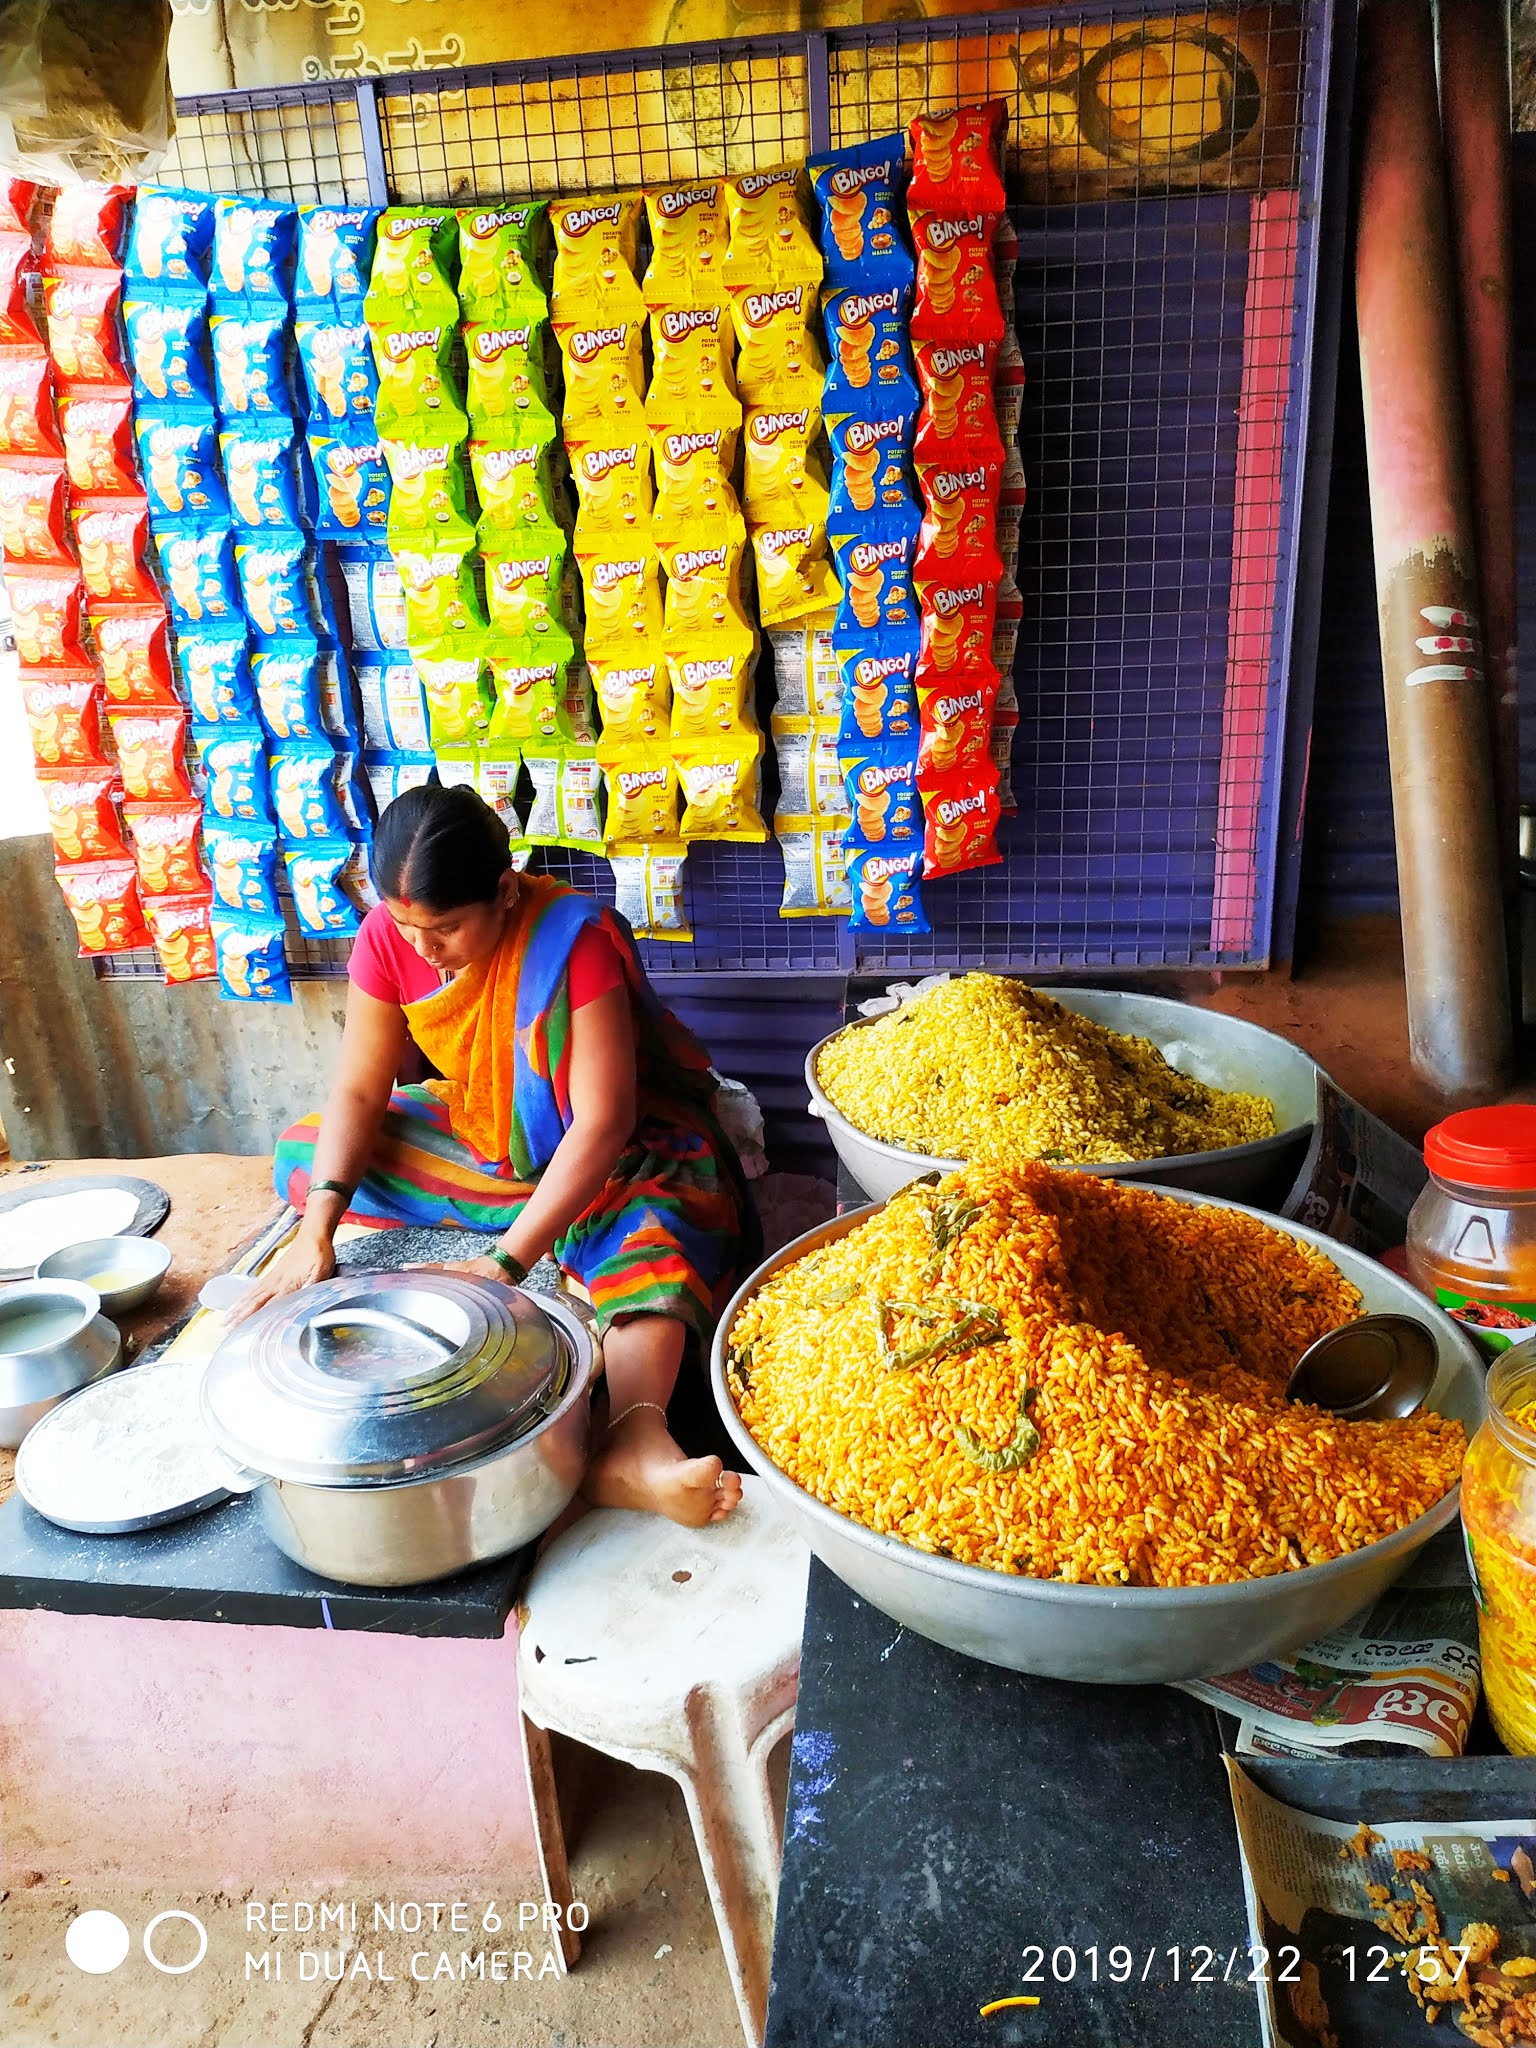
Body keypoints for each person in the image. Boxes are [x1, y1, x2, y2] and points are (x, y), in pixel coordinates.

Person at [248, 783, 753, 1527]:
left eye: (446, 929)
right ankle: (566, 1220)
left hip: (611, 1150)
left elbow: (603, 1122)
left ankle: (633, 1440)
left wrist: (505, 1264)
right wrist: (316, 1229)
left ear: (505, 891)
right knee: (308, 1154)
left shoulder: (569, 943)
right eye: (404, 924)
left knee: (657, 1225)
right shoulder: (391, 936)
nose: (422, 948)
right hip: (490, 1134)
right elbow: (360, 1089)